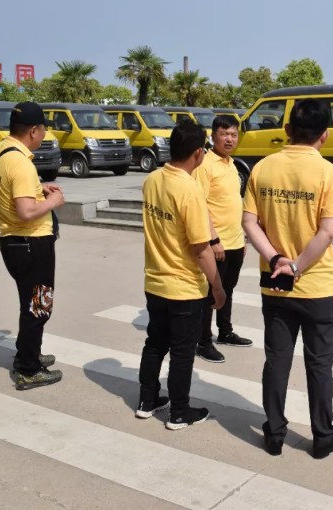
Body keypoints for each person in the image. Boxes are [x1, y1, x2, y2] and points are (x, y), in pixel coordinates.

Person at [242, 99, 333, 459]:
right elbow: (327, 231)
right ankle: (323, 436)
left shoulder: (263, 168)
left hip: (274, 282)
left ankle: (274, 433)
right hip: (316, 286)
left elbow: (248, 223)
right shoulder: (329, 174)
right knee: (319, 365)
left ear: (287, 129)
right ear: (325, 135)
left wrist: (275, 259)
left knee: (277, 361)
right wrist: (298, 265)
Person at [136, 120, 226, 430]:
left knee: (155, 344)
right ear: (199, 153)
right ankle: (179, 412)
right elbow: (201, 249)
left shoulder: (152, 180)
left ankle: (147, 401)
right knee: (183, 353)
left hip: (155, 281)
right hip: (184, 287)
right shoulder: (189, 189)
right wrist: (217, 287)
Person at [0, 101, 65, 391]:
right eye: (43, 129)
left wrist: (37, 188)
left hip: (12, 243)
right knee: (39, 307)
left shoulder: (0, 151)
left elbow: (9, 189)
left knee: (29, 303)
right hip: (32, 244)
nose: (44, 134)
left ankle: (27, 353)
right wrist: (53, 201)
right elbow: (26, 211)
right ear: (33, 130)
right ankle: (29, 370)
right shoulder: (20, 163)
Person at [193, 115, 253, 364]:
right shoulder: (205, 165)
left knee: (227, 289)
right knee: (210, 293)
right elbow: (199, 204)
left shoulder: (231, 164)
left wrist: (243, 238)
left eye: (233, 134)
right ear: (213, 135)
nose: (229, 139)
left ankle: (225, 332)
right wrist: (213, 239)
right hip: (216, 243)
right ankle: (203, 341)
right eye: (224, 134)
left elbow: (234, 203)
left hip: (235, 241)